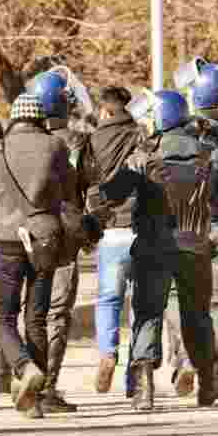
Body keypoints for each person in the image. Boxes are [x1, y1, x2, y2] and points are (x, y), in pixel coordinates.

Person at [99, 90, 218, 411]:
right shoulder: (208, 154)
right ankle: (208, 382)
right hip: (195, 245)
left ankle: (143, 388)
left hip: (153, 244)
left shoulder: (143, 157)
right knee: (197, 316)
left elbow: (111, 193)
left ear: (158, 119)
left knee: (149, 314)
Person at [0, 94, 73, 418]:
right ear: (40, 120)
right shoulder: (55, 146)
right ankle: (34, 399)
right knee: (36, 316)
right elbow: (68, 190)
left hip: (7, 239)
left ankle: (23, 367)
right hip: (45, 237)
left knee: (2, 316)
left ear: (14, 120)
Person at [21, 70, 101, 412]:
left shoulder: (16, 139)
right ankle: (46, 387)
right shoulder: (77, 142)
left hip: (20, 233)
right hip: (61, 238)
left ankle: (15, 372)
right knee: (55, 313)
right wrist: (92, 228)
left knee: (25, 309)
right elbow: (90, 188)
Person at [166, 63, 218, 400]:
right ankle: (212, 374)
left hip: (187, 226)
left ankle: (186, 357)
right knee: (217, 304)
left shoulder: (180, 130)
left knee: (178, 297)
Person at [79, 86, 144, 395]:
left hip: (110, 231)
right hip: (142, 229)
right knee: (141, 305)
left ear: (104, 109)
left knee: (108, 298)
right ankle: (136, 376)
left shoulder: (92, 141)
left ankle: (107, 352)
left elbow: (85, 183)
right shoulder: (140, 135)